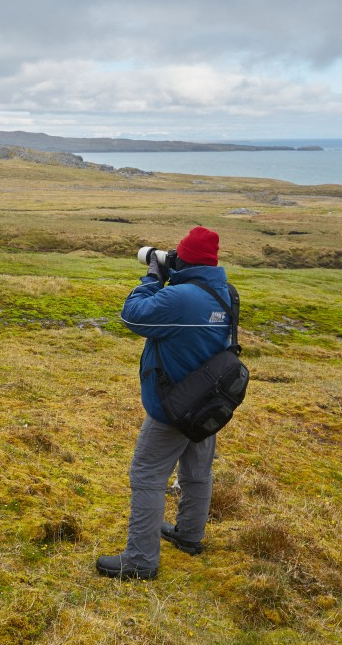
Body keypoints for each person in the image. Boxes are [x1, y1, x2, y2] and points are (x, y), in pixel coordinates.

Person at [97, 226, 232, 580]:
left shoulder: (182, 298)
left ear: (185, 259)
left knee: (147, 475)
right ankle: (189, 535)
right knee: (197, 473)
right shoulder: (224, 292)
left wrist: (153, 277)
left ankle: (141, 560)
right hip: (208, 401)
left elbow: (132, 315)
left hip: (173, 405)